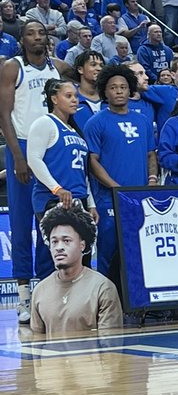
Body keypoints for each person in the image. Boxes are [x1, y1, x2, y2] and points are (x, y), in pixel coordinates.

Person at [0, 20, 72, 321]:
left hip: (51, 148)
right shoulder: (12, 68)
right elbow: (3, 113)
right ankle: (23, 297)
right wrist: (17, 156)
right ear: (22, 39)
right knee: (20, 222)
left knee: (50, 220)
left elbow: (79, 73)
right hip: (22, 147)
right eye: (30, 33)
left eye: (41, 33)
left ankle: (47, 290)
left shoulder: (57, 67)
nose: (37, 37)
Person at [84, 64, 158, 276]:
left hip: (140, 196)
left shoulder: (143, 121)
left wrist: (152, 180)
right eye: (113, 87)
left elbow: (151, 154)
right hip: (109, 198)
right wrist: (116, 187)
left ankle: (137, 304)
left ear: (130, 89)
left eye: (123, 87)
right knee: (109, 252)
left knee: (139, 250)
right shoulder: (95, 122)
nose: (118, 91)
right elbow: (92, 161)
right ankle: (108, 303)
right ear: (104, 92)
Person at [29, 204, 122, 337]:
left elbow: (112, 348)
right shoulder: (40, 291)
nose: (59, 247)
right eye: (54, 242)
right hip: (51, 358)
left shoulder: (103, 288)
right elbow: (36, 346)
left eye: (66, 241)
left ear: (82, 245)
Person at [26, 78, 95, 240]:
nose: (74, 100)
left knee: (81, 257)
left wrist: (91, 203)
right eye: (68, 96)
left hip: (79, 198)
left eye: (76, 96)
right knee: (59, 257)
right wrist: (57, 189)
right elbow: (34, 160)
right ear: (54, 99)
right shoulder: (45, 123)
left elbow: (84, 173)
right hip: (53, 198)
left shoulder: (76, 131)